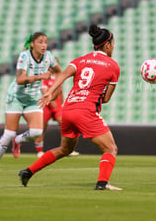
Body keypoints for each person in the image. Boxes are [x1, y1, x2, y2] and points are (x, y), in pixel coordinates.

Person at [18, 24, 122, 190]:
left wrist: (50, 93)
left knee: (65, 149)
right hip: (86, 111)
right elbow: (106, 98)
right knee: (110, 148)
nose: (113, 47)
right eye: (113, 44)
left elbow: (63, 75)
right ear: (108, 45)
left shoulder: (79, 61)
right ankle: (102, 183)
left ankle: (28, 171)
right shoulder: (113, 66)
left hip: (68, 110)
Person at [0, 32, 62, 171]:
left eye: (45, 42)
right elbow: (20, 80)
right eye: (40, 42)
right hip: (16, 97)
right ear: (33, 44)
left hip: (33, 98)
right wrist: (41, 76)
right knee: (9, 133)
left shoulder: (49, 57)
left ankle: (17, 141)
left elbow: (60, 73)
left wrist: (53, 90)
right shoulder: (25, 56)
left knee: (36, 132)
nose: (44, 45)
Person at [35, 57, 80, 158]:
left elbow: (61, 91)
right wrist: (51, 102)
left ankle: (68, 149)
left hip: (58, 106)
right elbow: (44, 91)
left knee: (67, 124)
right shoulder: (45, 77)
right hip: (46, 106)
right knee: (41, 128)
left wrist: (62, 103)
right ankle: (39, 151)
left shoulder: (59, 76)